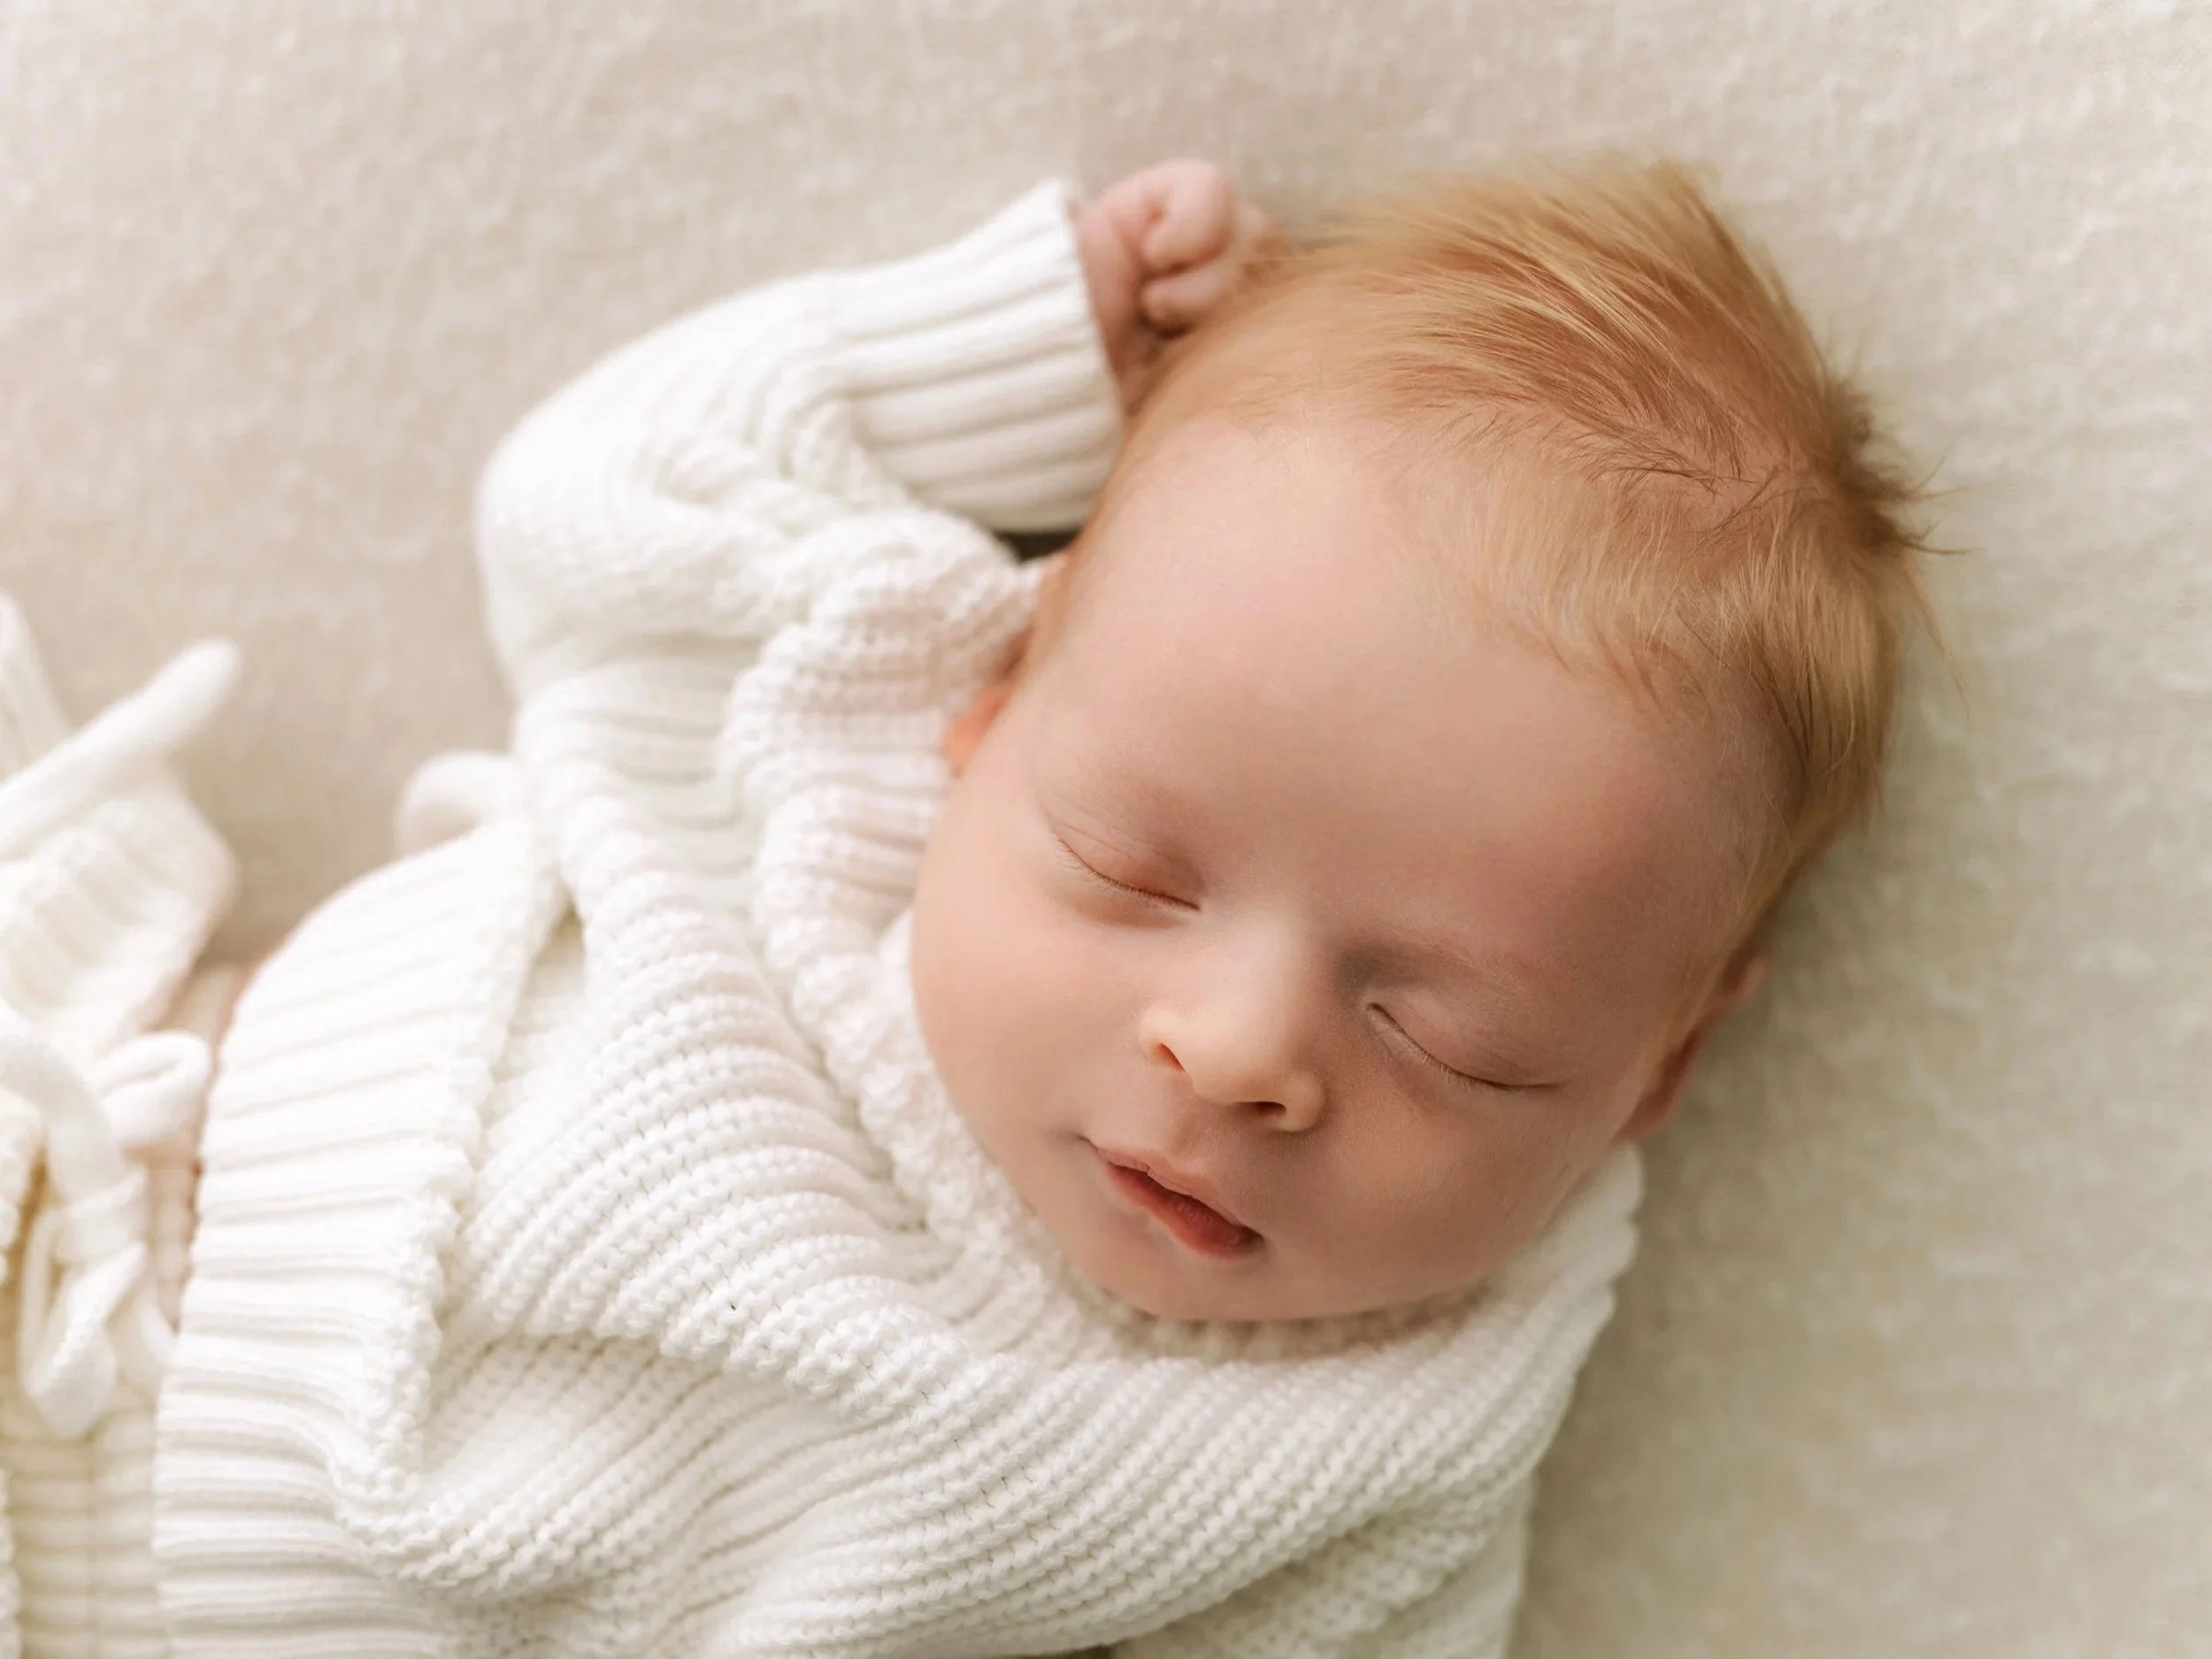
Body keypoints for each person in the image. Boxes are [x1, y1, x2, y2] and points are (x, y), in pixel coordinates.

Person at [0, 156, 1928, 1654]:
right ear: (993, 701)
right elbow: (598, 498)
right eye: (1132, 865)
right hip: (104, 1101)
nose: (1236, 1049)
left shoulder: (1400, 1441)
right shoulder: (838, 729)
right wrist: (1013, 356)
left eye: (1446, 1034)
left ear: (1654, 1063)